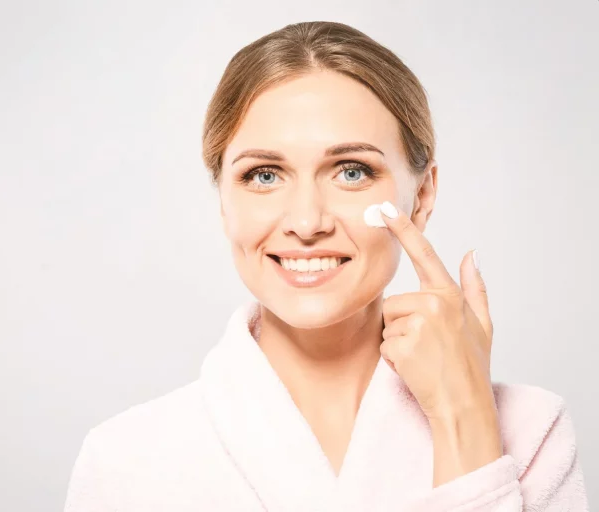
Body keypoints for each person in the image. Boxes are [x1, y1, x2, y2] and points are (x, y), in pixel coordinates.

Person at [63, 21, 588, 511]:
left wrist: (464, 421)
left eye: (351, 171)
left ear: (422, 196)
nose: (306, 221)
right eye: (264, 175)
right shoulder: (126, 462)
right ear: (224, 201)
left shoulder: (531, 432)